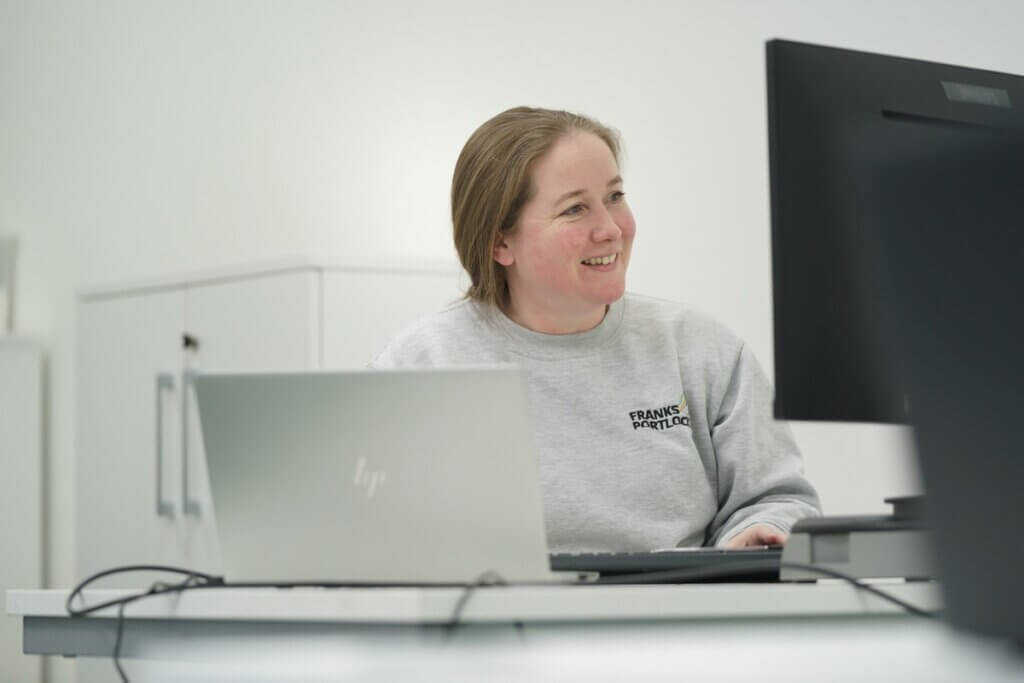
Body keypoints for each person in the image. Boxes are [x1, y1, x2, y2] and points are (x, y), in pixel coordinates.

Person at [372, 106, 821, 552]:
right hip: (492, 617)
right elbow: (370, 527)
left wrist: (760, 532)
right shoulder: (420, 362)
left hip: (675, 614)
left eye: (615, 197)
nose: (610, 229)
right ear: (499, 242)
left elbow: (779, 498)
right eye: (574, 209)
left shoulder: (702, 350)